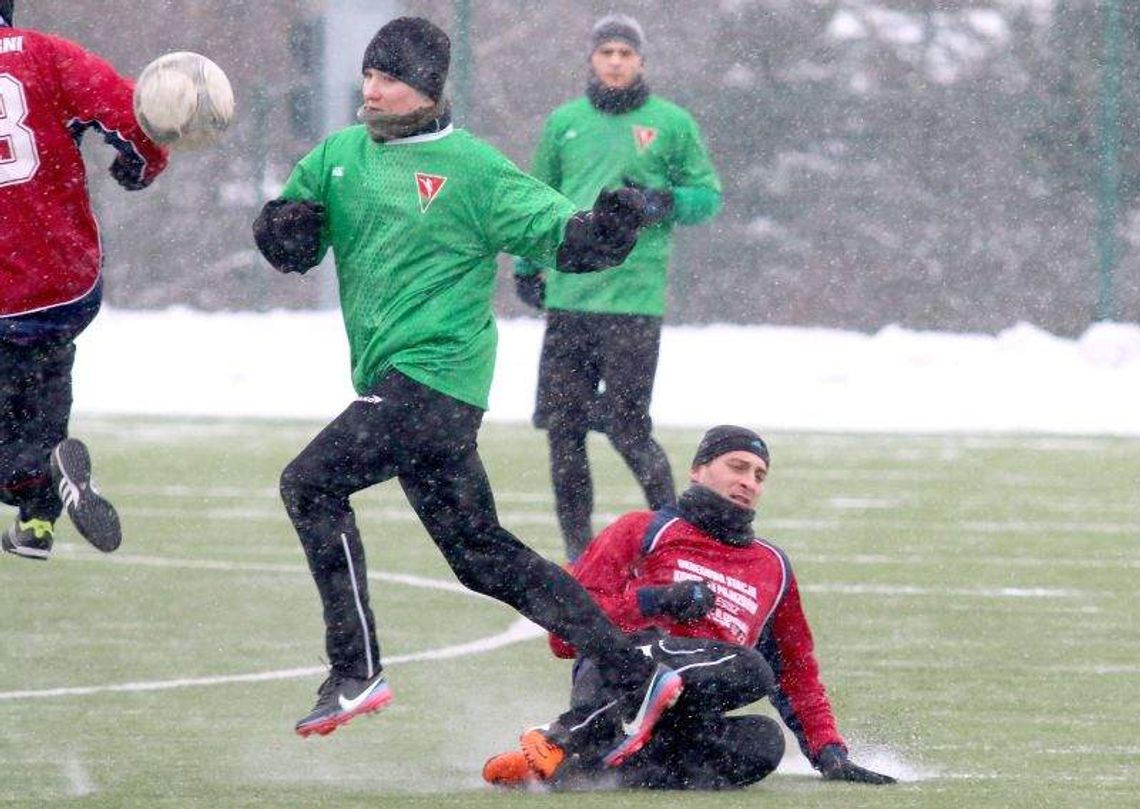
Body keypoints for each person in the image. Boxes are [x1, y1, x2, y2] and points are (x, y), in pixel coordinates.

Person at [251, 16, 686, 761]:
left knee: (309, 484)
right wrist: (280, 232)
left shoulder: (475, 171)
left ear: (425, 87)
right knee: (481, 555)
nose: (372, 87)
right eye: (369, 73)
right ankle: (633, 667)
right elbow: (292, 239)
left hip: (438, 380)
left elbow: (568, 239)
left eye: (389, 77)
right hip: (399, 383)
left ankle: (355, 668)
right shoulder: (338, 155)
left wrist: (610, 228)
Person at [483, 426, 897, 790]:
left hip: (682, 717)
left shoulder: (773, 567)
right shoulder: (644, 528)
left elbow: (795, 672)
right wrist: (655, 601)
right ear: (698, 470)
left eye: (759, 475)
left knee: (762, 743)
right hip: (613, 677)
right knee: (750, 666)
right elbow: (563, 635)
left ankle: (582, 772)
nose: (749, 482)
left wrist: (829, 754)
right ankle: (566, 736)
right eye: (737, 466)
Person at [513, 13, 723, 560]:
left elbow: (707, 197)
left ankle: (676, 540)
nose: (615, 60)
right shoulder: (564, 123)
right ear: (591, 58)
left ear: (641, 61)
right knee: (564, 431)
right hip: (572, 298)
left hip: (633, 302)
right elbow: (537, 198)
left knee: (629, 429)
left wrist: (661, 202)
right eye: (606, 51)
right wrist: (527, 265)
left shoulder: (670, 123)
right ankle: (579, 554)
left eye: (625, 53)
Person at [0, 1, 169, 560]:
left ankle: (36, 479)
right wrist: (140, 164)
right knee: (40, 379)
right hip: (62, 279)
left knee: (15, 414)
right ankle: (38, 521)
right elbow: (134, 113)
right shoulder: (47, 54)